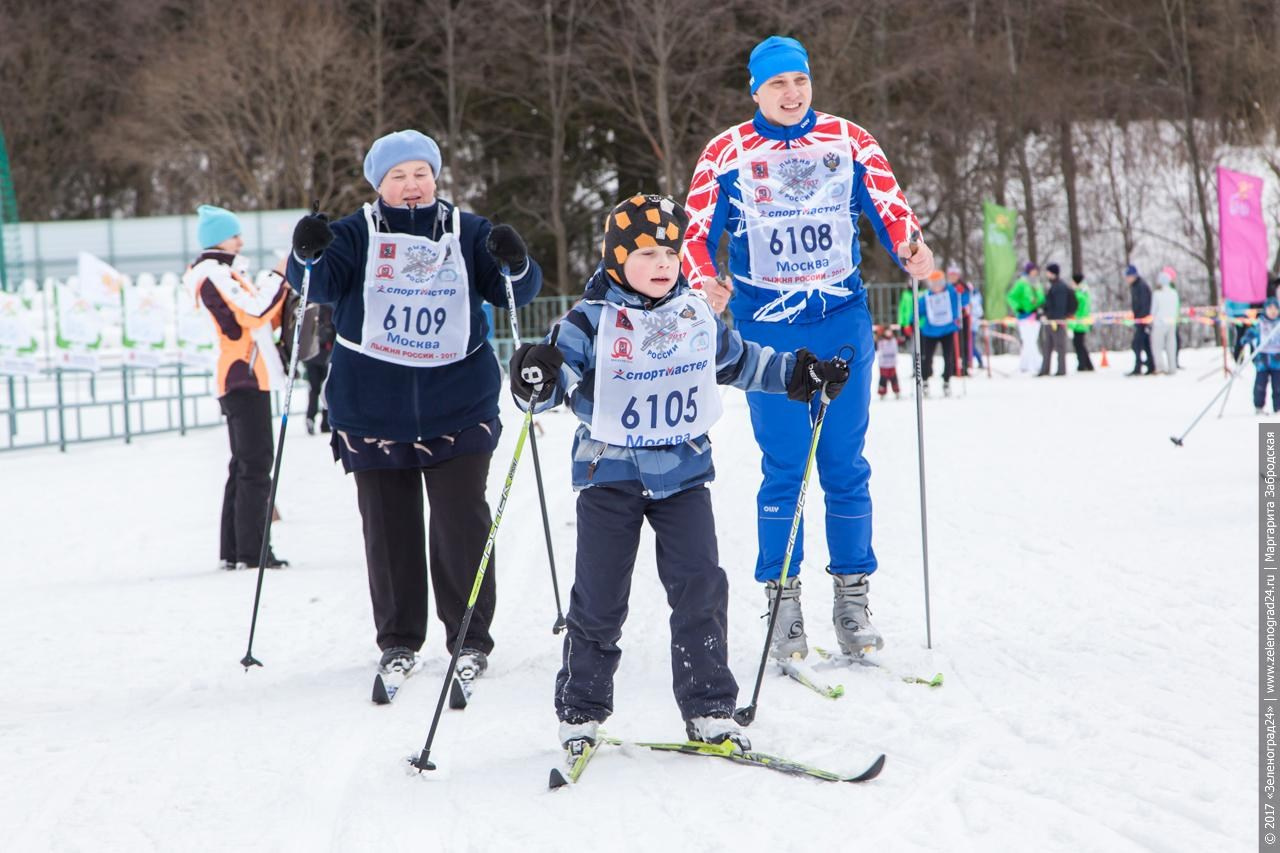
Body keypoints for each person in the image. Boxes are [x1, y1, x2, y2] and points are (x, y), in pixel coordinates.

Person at [511, 195, 850, 756]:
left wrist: (800, 372)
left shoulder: (694, 313)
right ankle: (581, 712)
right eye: (646, 252)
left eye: (670, 250)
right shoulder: (590, 319)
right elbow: (549, 380)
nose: (663, 262)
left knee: (700, 590)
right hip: (609, 476)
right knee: (598, 600)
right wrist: (534, 376)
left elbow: (741, 361)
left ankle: (711, 709)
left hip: (684, 476)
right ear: (618, 259)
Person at [682, 35, 934, 661]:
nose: (792, 94)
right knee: (786, 466)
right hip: (768, 326)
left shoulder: (850, 140)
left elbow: (889, 206)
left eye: (800, 81)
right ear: (755, 91)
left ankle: (852, 602)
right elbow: (696, 232)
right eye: (777, 85)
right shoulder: (727, 151)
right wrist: (705, 280)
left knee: (846, 465)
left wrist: (909, 247)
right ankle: (783, 601)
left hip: (840, 318)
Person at [285, 129, 542, 683]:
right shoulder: (355, 233)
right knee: (388, 529)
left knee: (461, 523)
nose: (411, 186)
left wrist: (516, 261)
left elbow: (515, 292)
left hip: (458, 405)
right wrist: (304, 251)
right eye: (397, 176)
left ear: (436, 177)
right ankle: (399, 639)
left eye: (420, 174)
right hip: (372, 411)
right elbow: (317, 283)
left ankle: (470, 637)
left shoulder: (467, 231)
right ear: (379, 184)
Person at [187, 204, 289, 572]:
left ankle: (235, 550)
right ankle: (253, 549)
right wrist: (279, 276)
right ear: (217, 240)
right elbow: (253, 313)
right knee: (256, 463)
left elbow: (259, 317)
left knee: (244, 462)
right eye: (234, 235)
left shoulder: (222, 273)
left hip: (246, 374)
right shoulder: (215, 274)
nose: (241, 241)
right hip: (241, 376)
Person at [918, 269, 960, 396]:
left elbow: (962, 301)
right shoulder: (926, 296)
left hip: (947, 330)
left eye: (939, 283)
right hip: (930, 331)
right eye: (934, 283)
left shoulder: (951, 292)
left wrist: (964, 291)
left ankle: (946, 381)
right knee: (927, 358)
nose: (937, 286)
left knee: (948, 357)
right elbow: (918, 310)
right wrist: (910, 322)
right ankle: (924, 381)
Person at [1038, 262, 1075, 377]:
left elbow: (1059, 306)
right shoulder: (1054, 286)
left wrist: (1051, 316)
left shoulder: (1059, 287)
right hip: (1051, 320)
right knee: (1047, 346)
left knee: (1059, 346)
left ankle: (1061, 370)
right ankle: (1045, 369)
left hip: (1056, 321)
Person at [1243, 299, 1280, 414]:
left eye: (1275, 309)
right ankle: (1259, 406)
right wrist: (1247, 338)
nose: (1273, 312)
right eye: (1270, 309)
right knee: (1260, 384)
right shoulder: (1260, 323)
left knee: (1278, 385)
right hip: (1262, 359)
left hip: (1277, 359)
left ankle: (1278, 407)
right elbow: (1251, 333)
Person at [1007, 262, 1044, 373]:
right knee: (1029, 341)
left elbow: (1041, 297)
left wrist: (1040, 306)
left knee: (1032, 340)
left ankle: (1025, 365)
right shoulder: (1021, 283)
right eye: (1033, 270)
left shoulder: (1037, 283)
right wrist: (1018, 308)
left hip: (1035, 315)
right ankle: (1036, 364)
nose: (1035, 272)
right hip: (1024, 316)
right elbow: (1011, 296)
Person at [1126, 264, 1155, 375]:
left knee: (1137, 344)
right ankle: (1150, 365)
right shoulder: (1135, 286)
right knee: (1145, 344)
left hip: (1143, 320)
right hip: (1140, 320)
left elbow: (1144, 304)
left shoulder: (1140, 286)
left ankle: (1139, 367)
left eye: (1128, 276)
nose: (1127, 279)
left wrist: (1141, 319)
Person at [1150, 266, 1180, 375]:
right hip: (1172, 322)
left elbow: (1154, 310)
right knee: (1171, 345)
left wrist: (1152, 319)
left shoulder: (1157, 294)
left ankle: (1160, 367)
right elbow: (1177, 308)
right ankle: (1172, 367)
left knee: (1157, 346)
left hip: (1159, 323)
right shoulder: (1174, 293)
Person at [946, 264, 973, 376]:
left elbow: (966, 301)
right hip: (949, 318)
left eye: (954, 275)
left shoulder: (964, 287)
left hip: (962, 317)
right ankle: (951, 367)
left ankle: (964, 366)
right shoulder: (946, 287)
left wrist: (961, 295)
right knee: (950, 343)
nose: (952, 277)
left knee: (963, 342)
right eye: (951, 275)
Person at [1067, 272, 1094, 371]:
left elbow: (1078, 306)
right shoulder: (1084, 291)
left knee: (1078, 343)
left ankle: (1082, 364)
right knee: (1080, 343)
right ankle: (1087, 364)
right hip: (1082, 321)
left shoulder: (1079, 293)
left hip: (1079, 321)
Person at [876, 326, 900, 400]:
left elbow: (895, 350)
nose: (889, 333)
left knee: (894, 378)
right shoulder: (880, 341)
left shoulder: (893, 340)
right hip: (883, 364)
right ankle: (882, 392)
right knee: (883, 378)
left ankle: (896, 391)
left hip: (892, 363)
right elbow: (879, 351)